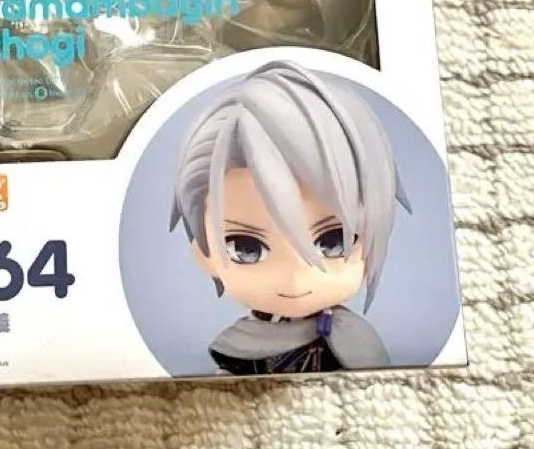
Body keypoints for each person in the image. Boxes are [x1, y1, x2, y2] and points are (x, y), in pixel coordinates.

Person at [169, 60, 409, 373]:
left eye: (332, 242)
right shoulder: (237, 350)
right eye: (245, 248)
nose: (295, 277)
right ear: (205, 255)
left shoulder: (356, 340)